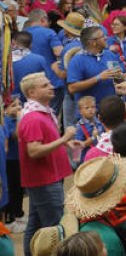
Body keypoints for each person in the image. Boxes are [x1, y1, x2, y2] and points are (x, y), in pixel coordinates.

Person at [17, 72, 82, 255]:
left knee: (36, 224)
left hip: (47, 178)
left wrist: (66, 143)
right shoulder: (33, 118)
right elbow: (34, 151)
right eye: (45, 86)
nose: (51, 87)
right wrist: (63, 139)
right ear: (31, 93)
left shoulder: (41, 112)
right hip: (44, 180)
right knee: (56, 227)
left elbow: (45, 140)